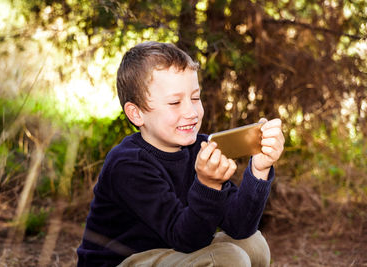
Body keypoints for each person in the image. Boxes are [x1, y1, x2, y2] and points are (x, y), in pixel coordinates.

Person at [77, 41, 285, 267]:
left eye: (195, 98)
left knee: (253, 244)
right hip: (123, 261)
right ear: (136, 114)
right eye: (175, 102)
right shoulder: (127, 164)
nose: (191, 112)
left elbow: (239, 226)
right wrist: (208, 185)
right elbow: (186, 238)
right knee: (227, 259)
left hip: (172, 253)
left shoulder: (200, 148)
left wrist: (259, 170)